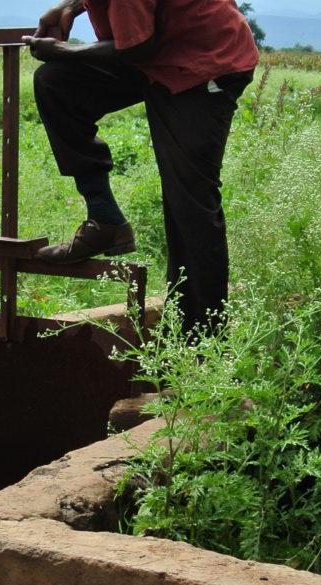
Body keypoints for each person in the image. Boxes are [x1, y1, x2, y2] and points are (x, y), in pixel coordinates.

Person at [22, 0, 258, 336]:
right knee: (57, 83)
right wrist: (71, 8)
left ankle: (200, 342)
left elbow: (139, 46)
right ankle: (105, 219)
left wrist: (65, 50)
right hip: (155, 52)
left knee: (188, 199)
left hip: (202, 61)